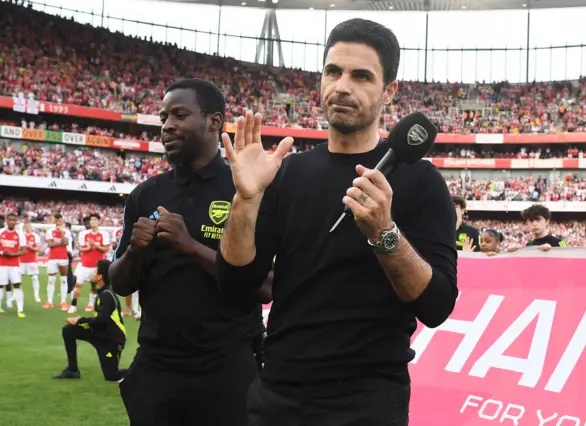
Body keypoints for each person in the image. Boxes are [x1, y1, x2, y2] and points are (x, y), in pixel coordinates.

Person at [217, 19, 458, 426]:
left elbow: (436, 305)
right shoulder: (286, 174)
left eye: (361, 76)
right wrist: (246, 198)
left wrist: (385, 234)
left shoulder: (421, 181)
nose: (342, 87)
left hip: (369, 401)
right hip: (278, 393)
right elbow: (236, 283)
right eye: (333, 72)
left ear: (390, 91)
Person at [109, 78, 267, 426]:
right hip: (157, 367)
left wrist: (191, 247)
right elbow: (119, 283)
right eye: (163, 117)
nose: (167, 126)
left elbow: (268, 285)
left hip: (227, 368)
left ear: (214, 121)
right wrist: (136, 253)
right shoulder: (146, 194)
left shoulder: (245, 191)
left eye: (179, 115)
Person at [53, 259, 127, 382]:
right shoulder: (103, 293)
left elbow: (101, 320)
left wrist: (80, 320)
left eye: (95, 271)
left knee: (111, 376)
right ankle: (72, 370)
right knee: (68, 330)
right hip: (99, 333)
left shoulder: (107, 295)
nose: (92, 274)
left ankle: (145, 371)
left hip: (111, 340)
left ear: (100, 277)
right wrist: (80, 322)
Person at [68, 214, 110, 314]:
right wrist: (89, 248)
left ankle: (91, 304)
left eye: (95, 219)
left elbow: (106, 249)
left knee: (94, 285)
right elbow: (81, 249)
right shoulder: (84, 234)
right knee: (78, 284)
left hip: (97, 265)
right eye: (91, 220)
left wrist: (95, 244)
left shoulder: (104, 234)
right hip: (84, 264)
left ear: (99, 221)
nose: (92, 221)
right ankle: (73, 304)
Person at [0, 213, 27, 317]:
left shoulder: (20, 234)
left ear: (16, 221)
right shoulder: (1, 232)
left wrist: (13, 254)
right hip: (2, 263)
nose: (12, 222)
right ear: (6, 220)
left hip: (14, 264)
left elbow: (24, 251)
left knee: (17, 285)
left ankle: (20, 310)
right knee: (0, 285)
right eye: (10, 220)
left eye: (14, 220)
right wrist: (3, 253)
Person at [43, 214, 72, 310]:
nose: (58, 220)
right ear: (54, 220)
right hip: (52, 258)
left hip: (63, 257)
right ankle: (49, 301)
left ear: (62, 220)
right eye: (56, 219)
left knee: (64, 279)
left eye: (59, 219)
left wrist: (61, 233)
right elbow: (50, 244)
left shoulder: (66, 232)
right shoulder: (50, 231)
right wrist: (61, 242)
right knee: (51, 280)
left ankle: (63, 302)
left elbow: (66, 242)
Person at [19, 220, 41, 303]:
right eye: (26, 226)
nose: (28, 227)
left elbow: (38, 249)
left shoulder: (35, 236)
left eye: (29, 225)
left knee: (35, 278)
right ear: (24, 226)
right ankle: (16, 295)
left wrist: (29, 247)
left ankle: (36, 296)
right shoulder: (21, 236)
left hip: (31, 261)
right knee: (18, 279)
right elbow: (18, 247)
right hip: (21, 261)